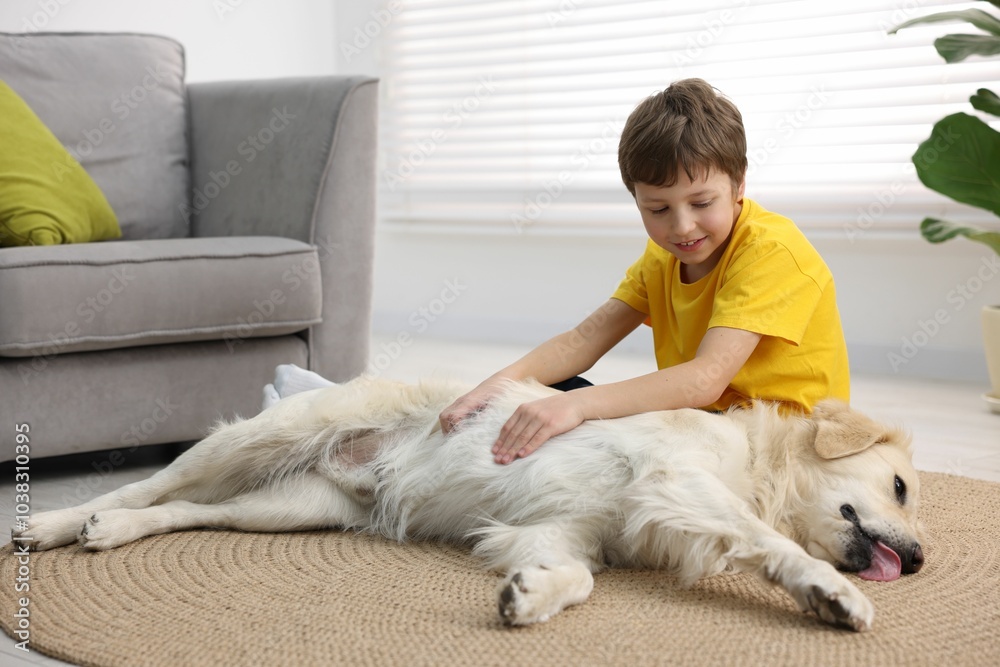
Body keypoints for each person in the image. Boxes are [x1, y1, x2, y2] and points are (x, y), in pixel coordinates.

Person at [270, 78, 850, 467]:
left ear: (740, 184)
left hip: (779, 448)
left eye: (702, 203)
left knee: (573, 424)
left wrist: (574, 408)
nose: (682, 227)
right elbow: (584, 339)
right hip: (700, 425)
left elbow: (704, 381)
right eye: (657, 209)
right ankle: (340, 425)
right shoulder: (666, 258)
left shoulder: (772, 251)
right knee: (535, 399)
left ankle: (363, 446)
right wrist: (494, 388)